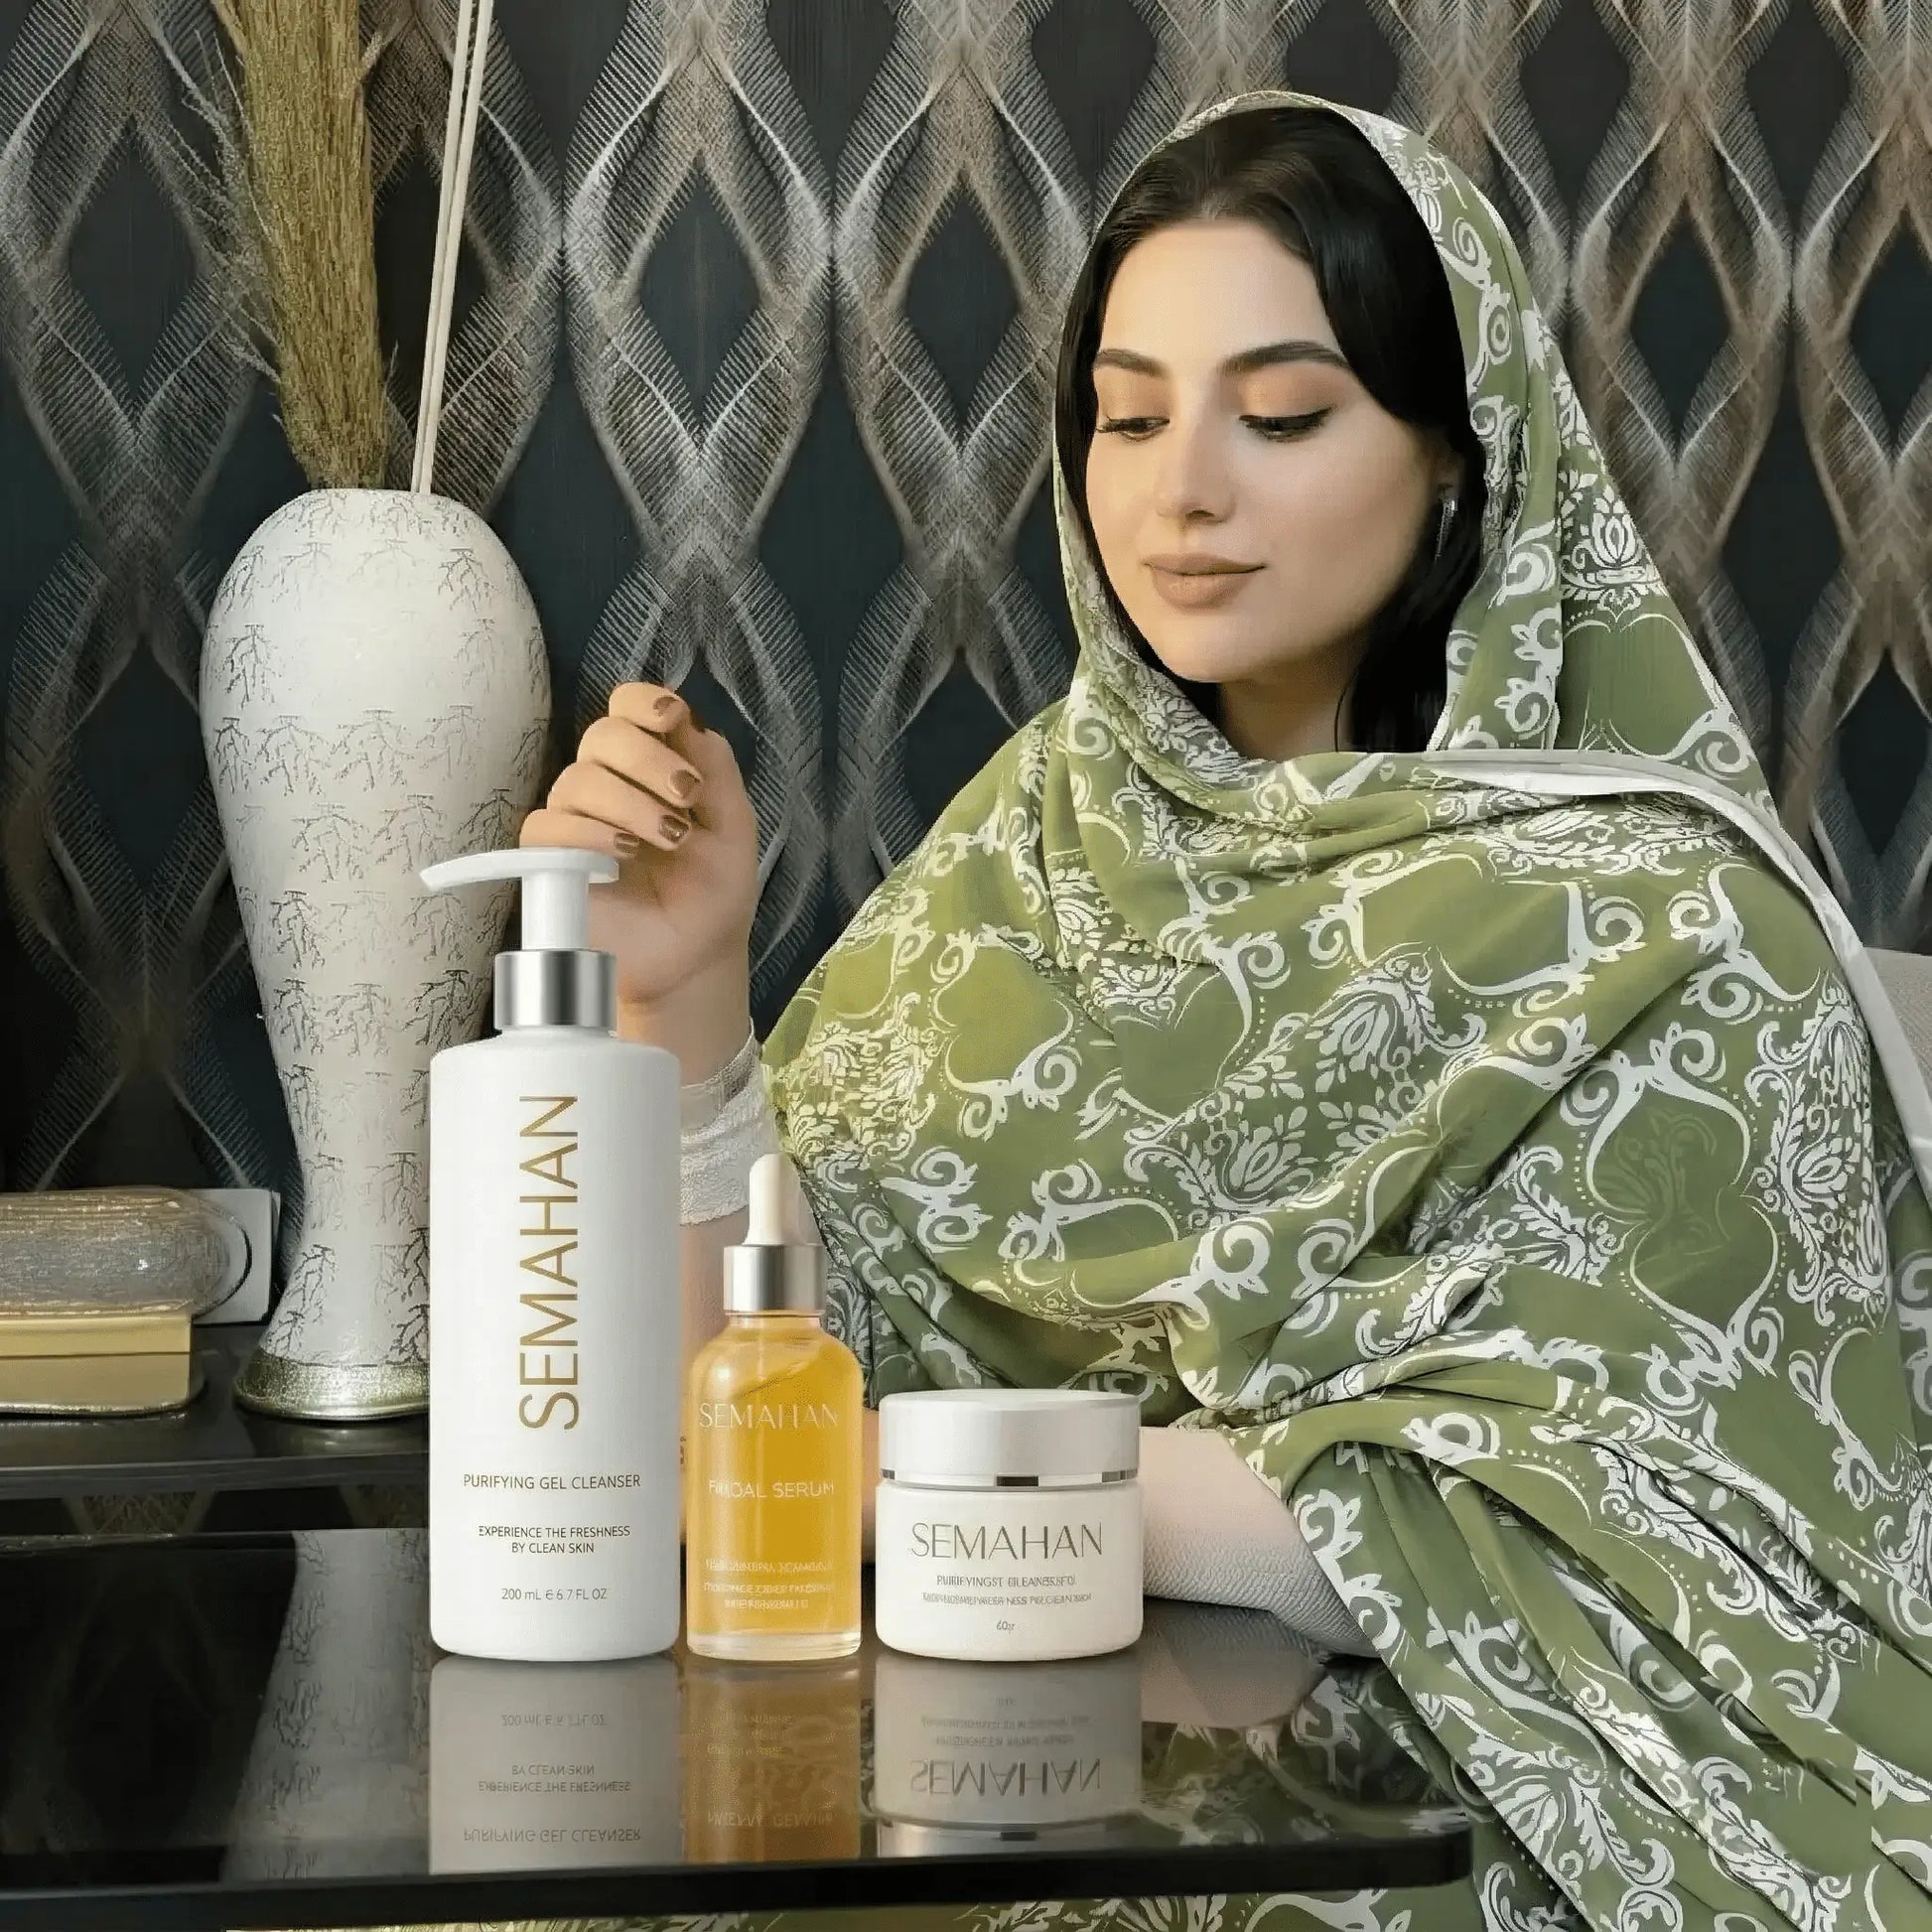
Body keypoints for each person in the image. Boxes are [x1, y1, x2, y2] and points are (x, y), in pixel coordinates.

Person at [520, 85, 1932, 1932]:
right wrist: (686, 1000)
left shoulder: (1676, 928)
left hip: (1443, 1822)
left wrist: (875, 1478)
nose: (1178, 489)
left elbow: (1564, 1535)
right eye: (1125, 417)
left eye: (1280, 415)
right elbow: (747, 1382)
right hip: (966, 1768)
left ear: (1459, 453)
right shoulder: (1029, 844)